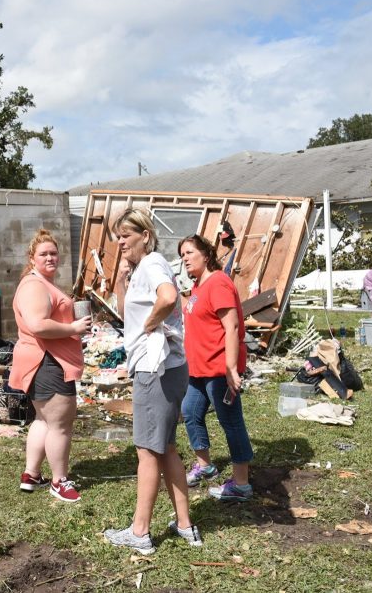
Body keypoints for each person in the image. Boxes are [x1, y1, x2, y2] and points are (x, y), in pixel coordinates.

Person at [103, 208, 202, 554]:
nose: (121, 242)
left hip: (155, 369)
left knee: (147, 451)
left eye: (126, 235)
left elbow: (168, 297)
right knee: (166, 447)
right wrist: (122, 281)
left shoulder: (154, 263)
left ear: (145, 235)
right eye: (118, 237)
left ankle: (140, 532)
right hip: (169, 367)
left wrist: (149, 325)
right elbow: (126, 311)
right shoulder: (142, 268)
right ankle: (185, 525)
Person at [10, 229, 89, 502]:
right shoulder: (35, 285)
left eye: (53, 253)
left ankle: (31, 474)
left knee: (43, 419)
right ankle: (59, 481)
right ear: (32, 258)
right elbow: (38, 325)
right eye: (43, 253)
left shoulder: (42, 283)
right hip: (48, 362)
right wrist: (73, 327)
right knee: (61, 424)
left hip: (43, 360)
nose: (50, 257)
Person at [178, 234, 254, 501]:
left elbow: (231, 327)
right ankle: (205, 464)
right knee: (190, 412)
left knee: (231, 422)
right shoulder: (199, 286)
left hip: (219, 367)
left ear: (206, 254)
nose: (184, 258)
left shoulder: (218, 283)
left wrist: (231, 368)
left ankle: (241, 484)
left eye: (189, 253)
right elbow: (195, 313)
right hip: (198, 368)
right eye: (182, 255)